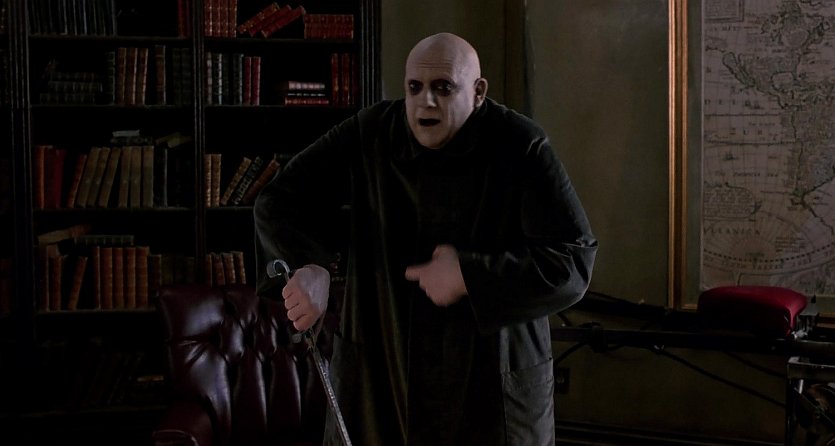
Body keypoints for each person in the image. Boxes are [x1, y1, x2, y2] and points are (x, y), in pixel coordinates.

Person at [254, 32, 597, 446]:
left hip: (490, 385)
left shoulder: (521, 144)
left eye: (443, 88)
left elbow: (573, 261)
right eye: (414, 87)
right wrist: (310, 264)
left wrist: (471, 276)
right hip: (383, 371)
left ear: (478, 92)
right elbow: (278, 202)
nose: (425, 102)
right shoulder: (371, 132)